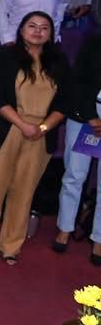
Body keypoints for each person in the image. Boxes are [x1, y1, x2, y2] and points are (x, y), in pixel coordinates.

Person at [0, 12, 68, 264]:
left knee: (24, 192)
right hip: (7, 128)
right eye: (32, 26)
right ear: (21, 29)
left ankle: (11, 246)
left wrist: (43, 128)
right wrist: (23, 125)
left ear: (51, 33)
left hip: (41, 135)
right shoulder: (7, 56)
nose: (37, 31)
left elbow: (64, 102)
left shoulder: (59, 61)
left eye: (44, 27)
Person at [54, 31, 101, 264]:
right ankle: (65, 227)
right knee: (74, 174)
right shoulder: (93, 40)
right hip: (85, 115)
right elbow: (79, 80)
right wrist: (91, 117)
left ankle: (99, 237)